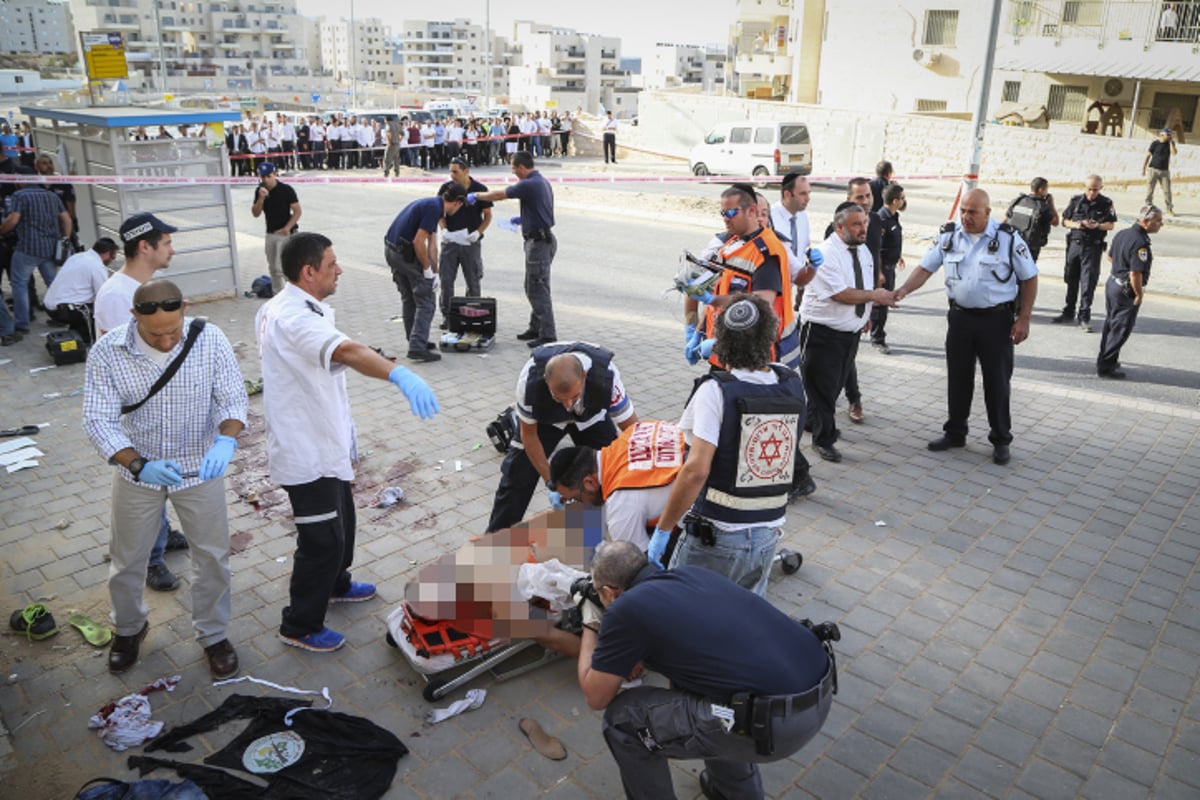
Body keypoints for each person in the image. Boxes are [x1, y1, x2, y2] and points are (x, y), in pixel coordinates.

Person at [257, 232, 439, 653]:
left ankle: (336, 584)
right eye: (332, 264)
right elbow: (347, 351)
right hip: (306, 451)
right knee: (321, 541)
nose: (339, 269)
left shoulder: (292, 306)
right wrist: (398, 373)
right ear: (308, 271)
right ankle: (299, 624)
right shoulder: (292, 317)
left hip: (327, 443)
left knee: (344, 522)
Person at [576, 540, 835, 800]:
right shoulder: (690, 574)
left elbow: (596, 697)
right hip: (818, 690)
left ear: (610, 592)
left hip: (773, 725)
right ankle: (732, 792)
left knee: (623, 719)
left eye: (599, 595)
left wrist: (591, 622)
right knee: (696, 687)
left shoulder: (623, 610)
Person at [82, 278, 248, 677]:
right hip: (139, 471)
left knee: (211, 557)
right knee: (127, 559)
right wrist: (138, 464)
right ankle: (129, 628)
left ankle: (212, 634)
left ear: (185, 310)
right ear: (134, 316)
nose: (166, 341)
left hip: (199, 468)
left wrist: (226, 441)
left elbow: (233, 398)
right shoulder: (107, 352)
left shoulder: (210, 339)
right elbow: (98, 420)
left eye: (173, 331)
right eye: (155, 333)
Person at [651, 295, 806, 596]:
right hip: (768, 532)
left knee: (683, 617)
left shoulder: (716, 390)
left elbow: (696, 470)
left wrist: (664, 528)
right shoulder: (791, 382)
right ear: (772, 335)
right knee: (743, 621)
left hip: (717, 536)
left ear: (720, 341)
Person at [687, 184, 816, 500]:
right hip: (727, 352)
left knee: (748, 418)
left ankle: (781, 478)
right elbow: (718, 291)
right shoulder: (732, 244)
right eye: (722, 213)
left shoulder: (766, 253)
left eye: (731, 212)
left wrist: (714, 333)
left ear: (751, 212)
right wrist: (698, 330)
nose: (726, 218)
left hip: (756, 357)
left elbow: (757, 308)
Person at [895, 188, 1038, 466]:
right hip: (960, 319)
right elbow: (925, 268)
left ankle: (1000, 439)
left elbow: (1029, 277)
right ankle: (955, 432)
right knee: (958, 377)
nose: (966, 216)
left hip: (996, 321)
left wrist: (1024, 318)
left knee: (996, 382)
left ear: (987, 212)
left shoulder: (1008, 238)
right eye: (963, 210)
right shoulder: (949, 236)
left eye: (972, 212)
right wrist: (902, 291)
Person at [95, 213, 191, 587]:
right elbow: (133, 357)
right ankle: (150, 559)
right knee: (146, 482)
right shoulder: (120, 296)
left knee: (160, 477)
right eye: (166, 242)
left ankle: (162, 536)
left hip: (159, 404)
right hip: (141, 408)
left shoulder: (139, 288)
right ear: (145, 246)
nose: (172, 249)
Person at [485, 341, 638, 534]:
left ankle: (595, 535)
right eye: (559, 398)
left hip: (591, 416)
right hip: (546, 419)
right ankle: (496, 542)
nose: (567, 406)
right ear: (546, 382)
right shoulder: (530, 382)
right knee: (517, 475)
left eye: (574, 397)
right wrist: (552, 483)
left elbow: (634, 431)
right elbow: (529, 436)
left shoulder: (606, 377)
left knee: (608, 473)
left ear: (584, 377)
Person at [800, 204, 888, 464]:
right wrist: (874, 297)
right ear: (839, 227)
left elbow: (863, 284)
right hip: (821, 333)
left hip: (849, 334)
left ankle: (810, 421)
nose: (864, 229)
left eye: (864, 222)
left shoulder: (863, 251)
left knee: (832, 387)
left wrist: (865, 315)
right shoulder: (825, 254)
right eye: (856, 224)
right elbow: (841, 294)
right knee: (824, 390)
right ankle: (824, 440)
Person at [466, 151, 557, 347]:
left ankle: (547, 334)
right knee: (535, 285)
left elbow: (500, 195)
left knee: (536, 288)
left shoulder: (529, 183)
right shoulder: (541, 181)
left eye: (514, 168)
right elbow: (542, 210)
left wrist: (477, 196)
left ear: (523, 167)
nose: (514, 172)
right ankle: (536, 327)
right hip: (541, 238)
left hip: (539, 243)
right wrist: (524, 220)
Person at [548, 420, 685, 550]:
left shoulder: (621, 505)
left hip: (699, 509)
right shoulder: (631, 432)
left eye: (577, 499)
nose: (581, 506)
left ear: (589, 482)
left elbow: (637, 565)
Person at [384, 183, 467, 362]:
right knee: (426, 301)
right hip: (403, 254)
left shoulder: (432, 204)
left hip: (392, 251)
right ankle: (417, 347)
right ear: (458, 203)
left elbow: (432, 247)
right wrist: (427, 271)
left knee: (409, 298)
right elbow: (418, 242)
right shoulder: (434, 209)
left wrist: (435, 273)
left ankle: (415, 338)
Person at [1097, 206, 1164, 379]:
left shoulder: (1123, 233)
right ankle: (1106, 367)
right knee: (1121, 328)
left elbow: (1110, 257)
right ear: (1147, 221)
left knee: (1111, 324)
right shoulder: (1140, 242)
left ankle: (1107, 359)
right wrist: (1139, 294)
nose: (1161, 225)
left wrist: (1121, 268)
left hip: (1113, 284)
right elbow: (1135, 273)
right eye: (1158, 221)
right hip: (1125, 290)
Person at [0, 175, 71, 334]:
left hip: (28, 248)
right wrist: (65, 238)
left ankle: (22, 324)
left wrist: (1, 231)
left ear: (22, 181)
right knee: (53, 284)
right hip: (50, 247)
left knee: (19, 284)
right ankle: (62, 316)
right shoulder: (52, 196)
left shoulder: (20, 195)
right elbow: (66, 219)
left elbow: (13, 220)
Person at [1055, 175, 1116, 332]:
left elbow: (1110, 225)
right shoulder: (1076, 201)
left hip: (1092, 248)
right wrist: (1076, 224)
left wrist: (1097, 226)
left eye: (1095, 189)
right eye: (1089, 189)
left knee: (1088, 282)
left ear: (1100, 188)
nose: (1091, 192)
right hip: (1075, 245)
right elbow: (1064, 221)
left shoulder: (1106, 203)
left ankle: (1084, 316)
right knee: (1071, 278)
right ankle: (1068, 312)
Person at [438, 157, 492, 330]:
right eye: (450, 171)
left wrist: (478, 233)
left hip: (471, 243)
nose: (452, 175)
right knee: (446, 281)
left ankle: (472, 315)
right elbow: (440, 213)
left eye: (456, 172)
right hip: (450, 243)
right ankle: (448, 316)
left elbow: (488, 216)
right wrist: (444, 230)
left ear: (466, 171)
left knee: (473, 281)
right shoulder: (446, 189)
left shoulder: (480, 190)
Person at [44, 237, 119, 344]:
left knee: (86, 303)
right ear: (107, 254)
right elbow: (103, 296)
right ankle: (86, 338)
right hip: (64, 310)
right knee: (94, 318)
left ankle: (77, 331)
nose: (112, 260)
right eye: (113, 257)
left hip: (50, 305)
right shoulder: (97, 267)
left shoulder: (77, 257)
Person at [250, 162, 301, 296]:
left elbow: (297, 211)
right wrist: (261, 198)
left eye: (268, 176)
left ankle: (296, 294)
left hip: (285, 233)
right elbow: (255, 213)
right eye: (263, 177)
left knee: (282, 268)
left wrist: (287, 228)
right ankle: (278, 295)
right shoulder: (260, 190)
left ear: (275, 174)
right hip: (271, 233)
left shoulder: (286, 189)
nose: (266, 180)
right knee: (273, 269)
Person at [870, 183, 906, 354]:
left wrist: (898, 255)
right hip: (883, 269)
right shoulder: (881, 219)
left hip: (890, 266)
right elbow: (876, 247)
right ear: (894, 200)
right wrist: (879, 272)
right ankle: (877, 338)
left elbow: (892, 241)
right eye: (902, 198)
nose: (904, 201)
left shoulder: (893, 217)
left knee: (883, 303)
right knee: (880, 304)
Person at [1004, 177, 1059, 263]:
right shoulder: (1042, 207)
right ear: (1041, 190)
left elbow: (1004, 220)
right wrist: (1051, 204)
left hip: (1011, 244)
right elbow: (1056, 222)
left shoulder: (1018, 201)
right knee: (1027, 274)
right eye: (1046, 190)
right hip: (1029, 249)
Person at [1143, 128, 1177, 216]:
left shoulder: (1170, 144)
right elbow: (1148, 156)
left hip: (1165, 171)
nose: (1170, 136)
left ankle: (1169, 208)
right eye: (1168, 135)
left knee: (1167, 190)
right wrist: (1143, 168)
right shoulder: (1155, 143)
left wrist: (1171, 143)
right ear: (1162, 135)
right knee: (1150, 189)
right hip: (1153, 169)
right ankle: (1148, 206)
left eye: (1170, 135)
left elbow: (1174, 153)